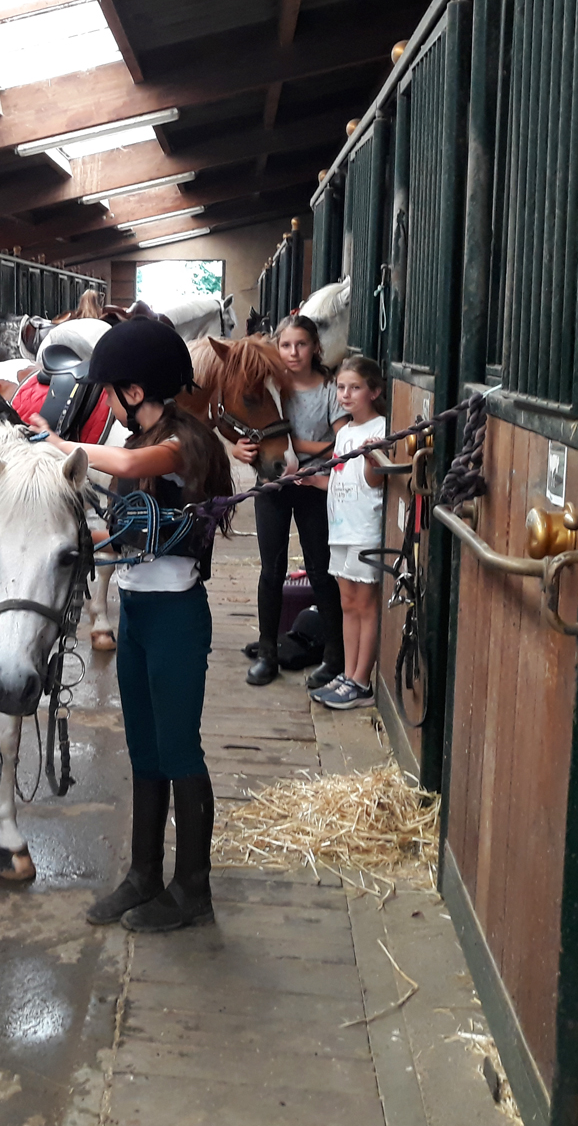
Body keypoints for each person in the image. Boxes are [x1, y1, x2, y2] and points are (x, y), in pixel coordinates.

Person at [30, 320, 234, 933]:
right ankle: (145, 872)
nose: (111, 402)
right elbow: (119, 531)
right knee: (144, 749)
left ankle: (192, 886)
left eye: (113, 391)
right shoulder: (132, 440)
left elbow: (125, 460)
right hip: (138, 614)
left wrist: (55, 444)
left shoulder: (183, 443)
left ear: (136, 389)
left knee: (178, 749)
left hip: (176, 617)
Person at [235, 314, 346, 689]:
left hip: (315, 483)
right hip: (274, 483)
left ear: (315, 347)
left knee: (321, 568)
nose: (293, 352)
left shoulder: (331, 389)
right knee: (271, 568)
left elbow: (339, 443)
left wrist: (286, 446)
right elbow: (238, 418)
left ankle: (335, 655)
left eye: (300, 344)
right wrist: (240, 446)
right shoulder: (271, 385)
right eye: (285, 345)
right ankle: (268, 652)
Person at [304, 356, 392, 709]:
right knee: (347, 604)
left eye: (355, 387)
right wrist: (313, 480)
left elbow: (375, 482)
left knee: (365, 605)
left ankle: (361, 681)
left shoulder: (382, 430)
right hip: (339, 530)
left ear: (374, 391)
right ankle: (347, 673)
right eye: (341, 387)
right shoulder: (343, 434)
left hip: (364, 529)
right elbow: (341, 481)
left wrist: (373, 462)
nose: (346, 394)